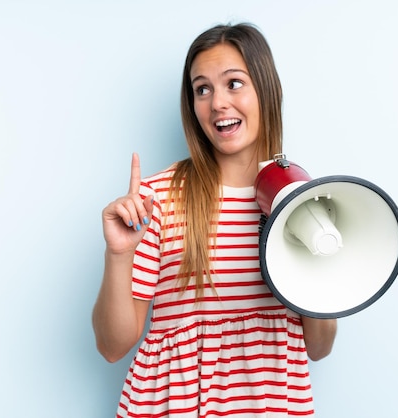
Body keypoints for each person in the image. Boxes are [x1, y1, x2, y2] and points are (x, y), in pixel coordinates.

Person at [92, 22, 337, 417]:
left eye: (233, 83)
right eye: (202, 89)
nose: (217, 102)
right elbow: (112, 347)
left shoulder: (304, 202)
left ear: (266, 90)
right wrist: (118, 254)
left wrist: (321, 265)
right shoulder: (158, 198)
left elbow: (319, 348)